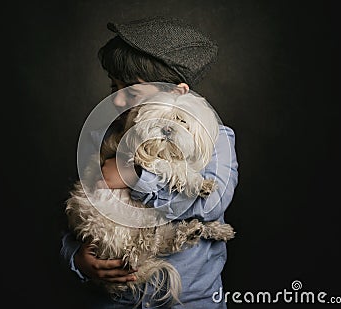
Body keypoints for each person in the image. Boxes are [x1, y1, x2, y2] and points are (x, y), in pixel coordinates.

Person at [61, 16, 239, 308]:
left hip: (189, 300)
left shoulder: (215, 139)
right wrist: (77, 259)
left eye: (130, 91)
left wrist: (132, 175)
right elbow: (75, 217)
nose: (117, 101)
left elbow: (211, 204)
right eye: (113, 87)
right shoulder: (102, 137)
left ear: (177, 94)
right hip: (114, 300)